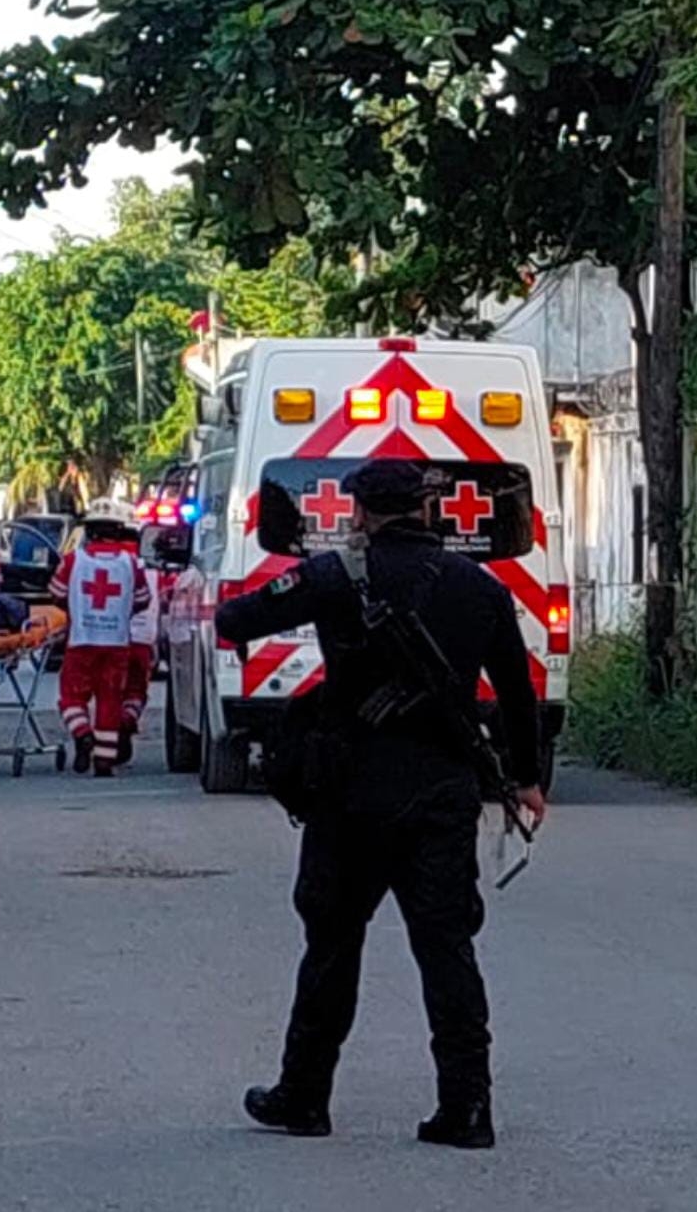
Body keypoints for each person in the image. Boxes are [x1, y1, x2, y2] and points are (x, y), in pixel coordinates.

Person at [215, 458, 546, 1148]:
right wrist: (525, 779)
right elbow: (517, 692)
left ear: (359, 512)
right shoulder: (479, 586)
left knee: (332, 947)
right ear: (428, 511)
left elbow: (236, 618)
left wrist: (305, 573)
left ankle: (303, 1095)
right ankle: (468, 1108)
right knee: (447, 950)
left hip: (350, 797)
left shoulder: (337, 575)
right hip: (441, 795)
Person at [49, 499, 149, 778]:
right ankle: (104, 761)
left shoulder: (73, 560)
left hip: (81, 640)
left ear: (89, 531)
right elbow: (143, 600)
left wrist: (78, 610)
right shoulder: (131, 563)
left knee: (71, 697)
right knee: (110, 700)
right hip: (117, 643)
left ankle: (82, 734)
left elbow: (56, 592)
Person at [118, 526, 161, 765]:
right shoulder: (150, 569)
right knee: (136, 690)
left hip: (110, 637)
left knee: (109, 690)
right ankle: (128, 718)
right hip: (143, 640)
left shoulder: (100, 561)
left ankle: (107, 732)